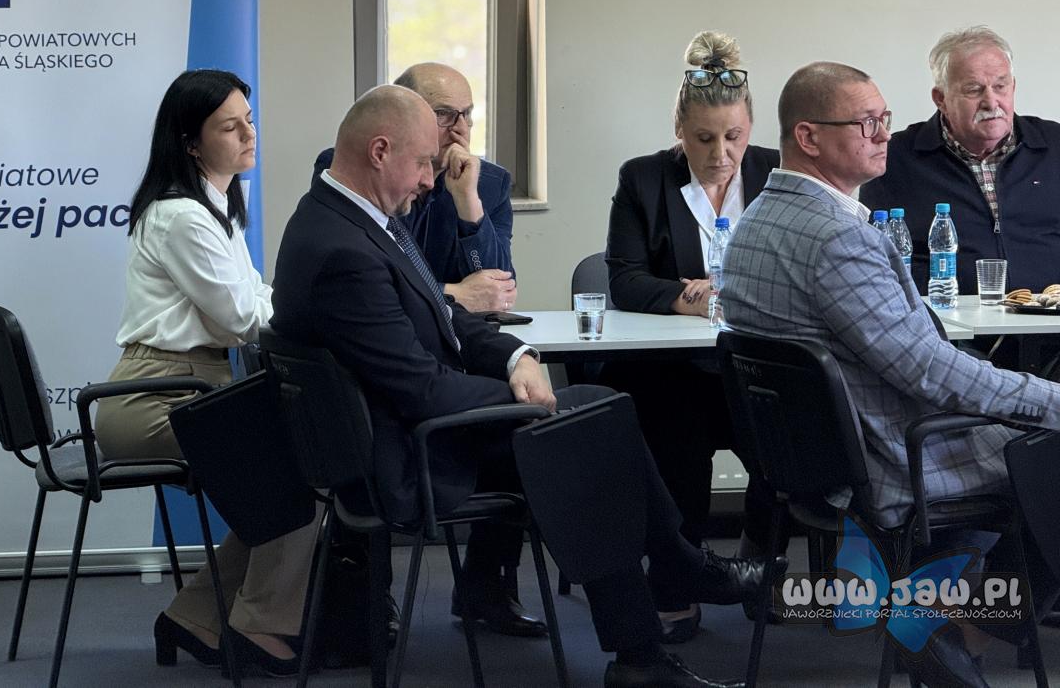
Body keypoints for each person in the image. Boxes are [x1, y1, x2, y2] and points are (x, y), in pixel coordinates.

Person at [272, 84, 775, 688]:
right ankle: (670, 594)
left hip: (406, 429)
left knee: (596, 420)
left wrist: (517, 357)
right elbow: (422, 389)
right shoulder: (344, 250)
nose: (430, 180)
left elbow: (445, 312)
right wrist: (532, 402)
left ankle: (655, 623)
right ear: (380, 151)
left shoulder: (344, 219)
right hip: (408, 452)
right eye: (424, 163)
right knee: (589, 428)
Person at [721, 61, 1060, 686]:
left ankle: (941, 615)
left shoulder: (757, 221)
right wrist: (1048, 398)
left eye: (884, 119)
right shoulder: (834, 238)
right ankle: (959, 632)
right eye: (866, 123)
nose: (884, 135)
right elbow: (927, 371)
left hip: (812, 460)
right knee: (1050, 451)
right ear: (808, 136)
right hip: (894, 454)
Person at [94, 69, 319, 678]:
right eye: (229, 126)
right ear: (191, 142)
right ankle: (258, 626)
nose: (249, 134)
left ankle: (194, 616)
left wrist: (293, 307)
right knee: (304, 464)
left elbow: (254, 297)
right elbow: (243, 318)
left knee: (299, 469)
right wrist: (314, 311)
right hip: (157, 396)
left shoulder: (216, 206)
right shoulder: (183, 217)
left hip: (194, 387)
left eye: (250, 120)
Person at [604, 30, 779, 642]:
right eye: (704, 139)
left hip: (756, 364)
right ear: (679, 129)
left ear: (750, 128)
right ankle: (677, 580)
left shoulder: (776, 173)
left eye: (734, 137)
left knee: (797, 439)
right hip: (674, 367)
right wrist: (699, 296)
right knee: (677, 438)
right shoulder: (643, 179)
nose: (721, 154)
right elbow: (625, 280)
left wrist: (726, 288)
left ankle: (761, 560)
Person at [860, 26, 1060, 295]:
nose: (991, 102)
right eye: (974, 90)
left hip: (1048, 316)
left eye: (1000, 87)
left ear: (1013, 87)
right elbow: (877, 258)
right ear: (940, 99)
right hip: (945, 317)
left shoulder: (1054, 145)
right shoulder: (894, 158)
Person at [314, 62, 516, 314]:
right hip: (380, 320)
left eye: (467, 114)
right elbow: (357, 278)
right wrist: (452, 294)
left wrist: (468, 202)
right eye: (444, 114)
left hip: (465, 331)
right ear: (404, 114)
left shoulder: (490, 183)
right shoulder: (358, 165)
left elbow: (498, 292)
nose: (461, 129)